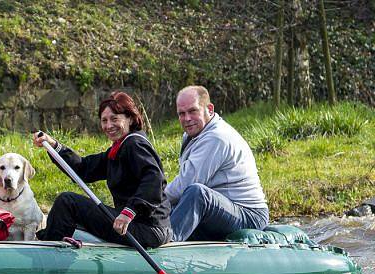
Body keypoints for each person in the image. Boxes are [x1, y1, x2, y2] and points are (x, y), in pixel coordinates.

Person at [33, 91, 172, 248]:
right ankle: (51, 242)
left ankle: (48, 253)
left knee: (67, 202)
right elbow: (84, 168)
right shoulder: (119, 148)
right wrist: (54, 146)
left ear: (130, 119)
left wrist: (129, 212)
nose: (108, 126)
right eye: (104, 120)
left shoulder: (134, 145)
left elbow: (154, 179)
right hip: (137, 226)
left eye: (114, 119)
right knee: (70, 209)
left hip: (149, 230)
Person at [165, 86, 268, 242]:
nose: (187, 118)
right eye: (181, 113)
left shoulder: (216, 137)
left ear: (210, 109)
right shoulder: (192, 135)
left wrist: (151, 201)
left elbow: (186, 184)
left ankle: (166, 244)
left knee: (197, 193)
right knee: (170, 207)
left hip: (249, 215)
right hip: (223, 210)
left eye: (193, 111)